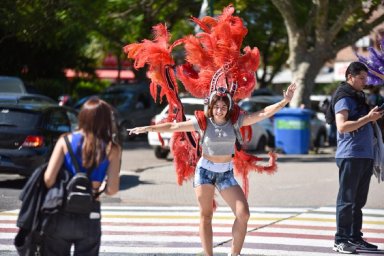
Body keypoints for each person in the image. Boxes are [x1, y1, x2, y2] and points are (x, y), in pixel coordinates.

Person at [129, 82, 296, 256]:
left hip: (226, 174)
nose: (220, 110)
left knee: (243, 214)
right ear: (210, 107)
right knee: (206, 215)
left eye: (223, 106)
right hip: (205, 173)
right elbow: (173, 126)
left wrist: (284, 101)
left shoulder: (235, 122)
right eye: (216, 106)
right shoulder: (202, 122)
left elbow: (261, 114)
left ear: (229, 107)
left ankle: (234, 254)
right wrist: (147, 128)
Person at [42, 96, 122, 256]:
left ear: (83, 117)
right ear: (106, 120)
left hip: (61, 210)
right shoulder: (112, 149)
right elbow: (112, 190)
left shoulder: (65, 140)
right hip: (90, 212)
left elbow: (48, 178)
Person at [330, 62, 381, 254]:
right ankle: (340, 240)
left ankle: (354, 237)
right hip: (350, 154)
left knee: (358, 201)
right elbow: (342, 126)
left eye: (366, 79)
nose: (364, 82)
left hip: (364, 154)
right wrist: (368, 118)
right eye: (361, 78)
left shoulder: (358, 97)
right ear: (349, 76)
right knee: (347, 200)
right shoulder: (344, 98)